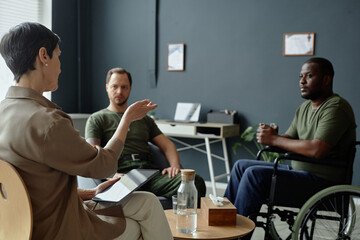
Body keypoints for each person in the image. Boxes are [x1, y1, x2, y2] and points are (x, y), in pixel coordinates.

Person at [0, 22, 173, 240]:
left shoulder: (4, 112)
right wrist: (127, 118)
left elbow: (34, 187)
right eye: (58, 56)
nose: (60, 67)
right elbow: (105, 165)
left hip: (22, 224)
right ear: (43, 56)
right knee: (140, 224)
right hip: (59, 228)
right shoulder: (48, 122)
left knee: (147, 201)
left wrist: (90, 193)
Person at [225, 57, 356, 224]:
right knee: (240, 166)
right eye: (300, 76)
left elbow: (317, 149)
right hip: (299, 173)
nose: (301, 81)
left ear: (326, 79)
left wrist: (275, 140)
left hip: (323, 182)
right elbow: (288, 139)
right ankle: (223, 223)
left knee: (254, 175)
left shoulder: (336, 107)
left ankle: (238, 234)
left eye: (308, 76)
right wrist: (272, 138)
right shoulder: (304, 108)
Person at [85, 68, 206, 200]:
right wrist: (111, 175)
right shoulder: (97, 118)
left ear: (130, 89)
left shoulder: (144, 119)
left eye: (124, 87)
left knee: (194, 182)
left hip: (148, 174)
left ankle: (183, 220)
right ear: (107, 87)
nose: (119, 91)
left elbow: (167, 145)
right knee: (130, 194)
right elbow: (93, 154)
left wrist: (175, 167)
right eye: (115, 86)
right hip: (121, 175)